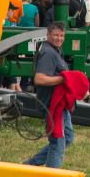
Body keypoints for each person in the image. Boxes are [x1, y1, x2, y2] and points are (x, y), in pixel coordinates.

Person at [24, 23, 75, 168]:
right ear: (48, 35)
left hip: (60, 104)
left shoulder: (56, 50)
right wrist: (64, 79)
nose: (59, 38)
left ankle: (31, 164)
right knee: (58, 142)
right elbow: (39, 79)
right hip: (52, 104)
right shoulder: (48, 53)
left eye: (61, 35)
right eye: (56, 35)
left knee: (68, 137)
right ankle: (53, 174)